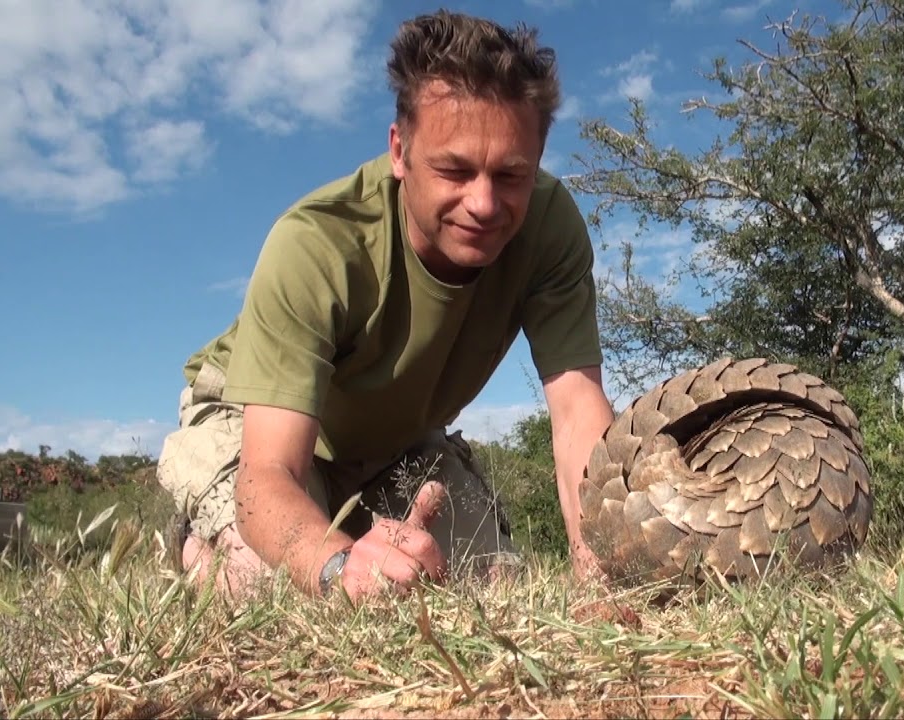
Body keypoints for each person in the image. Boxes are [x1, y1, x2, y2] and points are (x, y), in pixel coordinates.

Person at [154, 10, 615, 602]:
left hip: (397, 446)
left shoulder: (551, 229)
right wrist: (337, 565)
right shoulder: (317, 244)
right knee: (274, 589)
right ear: (400, 151)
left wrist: (603, 570)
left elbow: (578, 411)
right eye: (454, 169)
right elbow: (273, 473)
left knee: (488, 587)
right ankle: (199, 547)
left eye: (511, 174)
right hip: (256, 429)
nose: (484, 203)